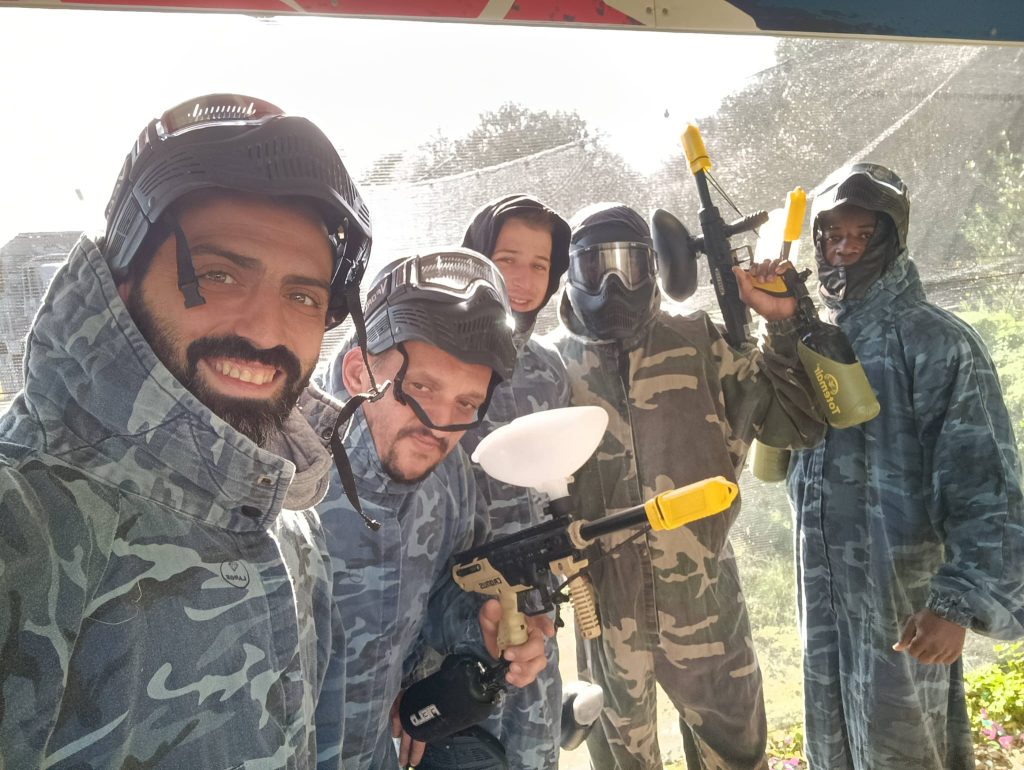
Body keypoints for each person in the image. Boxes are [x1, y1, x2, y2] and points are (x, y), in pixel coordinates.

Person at [0, 93, 372, 768]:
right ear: (121, 283)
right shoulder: (28, 519)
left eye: (302, 295)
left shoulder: (289, 512)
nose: (265, 330)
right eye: (217, 274)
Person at [546, 203, 826, 770]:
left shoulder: (697, 339)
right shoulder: (547, 366)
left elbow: (795, 423)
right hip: (604, 614)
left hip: (707, 601)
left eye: (628, 264)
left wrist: (782, 325)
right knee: (622, 762)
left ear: (652, 267)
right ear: (570, 272)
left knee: (737, 757)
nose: (613, 284)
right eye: (596, 266)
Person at [787, 162, 1024, 770]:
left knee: (908, 751)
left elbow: (985, 486)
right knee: (833, 747)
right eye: (832, 235)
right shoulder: (815, 340)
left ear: (892, 239)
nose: (844, 249)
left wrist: (957, 605)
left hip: (906, 605)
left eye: (863, 235)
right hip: (826, 601)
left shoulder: (936, 342)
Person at [314, 248, 554, 770]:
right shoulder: (281, 476)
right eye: (421, 387)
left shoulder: (449, 476)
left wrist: (480, 626)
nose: (440, 426)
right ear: (358, 372)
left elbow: (448, 589)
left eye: (466, 403)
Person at [417, 195, 572, 770]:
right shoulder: (439, 366)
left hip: (531, 610)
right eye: (507, 260)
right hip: (451, 614)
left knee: (533, 751)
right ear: (476, 259)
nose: (523, 280)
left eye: (539, 265)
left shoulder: (549, 370)